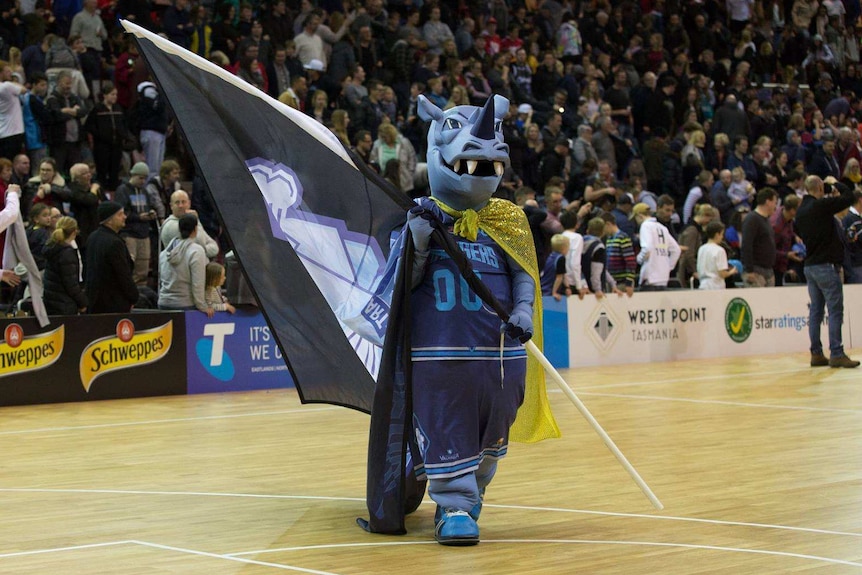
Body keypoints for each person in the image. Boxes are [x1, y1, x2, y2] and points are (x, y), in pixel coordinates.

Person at [795, 175, 860, 368]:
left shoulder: (801, 211)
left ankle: (816, 353)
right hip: (826, 265)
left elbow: (798, 231)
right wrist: (835, 184)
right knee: (834, 310)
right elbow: (850, 196)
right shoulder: (820, 206)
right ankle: (837, 353)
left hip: (810, 265)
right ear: (821, 189)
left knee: (816, 310)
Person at [84, 201, 139, 314]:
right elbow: (123, 275)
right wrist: (134, 296)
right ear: (109, 220)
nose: (124, 217)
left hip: (93, 300)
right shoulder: (115, 242)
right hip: (113, 303)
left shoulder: (92, 237)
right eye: (120, 214)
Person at [158, 213, 214, 316]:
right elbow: (198, 283)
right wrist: (202, 306)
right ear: (195, 229)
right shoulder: (197, 251)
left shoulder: (164, 252)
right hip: (185, 304)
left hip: (163, 303)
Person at [114, 162, 157, 285]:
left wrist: (150, 214)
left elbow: (148, 206)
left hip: (144, 233)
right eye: (140, 178)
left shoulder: (144, 192)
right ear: (133, 175)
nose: (143, 181)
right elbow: (121, 211)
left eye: (145, 178)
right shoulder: (123, 190)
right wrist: (138, 217)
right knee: (129, 268)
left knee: (142, 271)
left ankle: (141, 296)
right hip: (129, 233)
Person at [42, 215, 87, 315]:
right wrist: (83, 303)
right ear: (75, 231)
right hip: (65, 305)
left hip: (51, 302)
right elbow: (71, 284)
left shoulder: (52, 248)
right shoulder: (67, 253)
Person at [634, 202, 681, 290]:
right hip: (663, 277)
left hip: (650, 276)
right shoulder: (662, 228)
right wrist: (668, 267)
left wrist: (638, 259)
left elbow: (647, 248)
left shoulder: (645, 226)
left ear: (639, 215)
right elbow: (676, 250)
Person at [159, 190, 219, 258]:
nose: (181, 206)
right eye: (177, 202)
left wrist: (202, 249)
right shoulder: (171, 225)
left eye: (183, 202)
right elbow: (199, 244)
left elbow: (214, 247)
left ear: (189, 203)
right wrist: (196, 220)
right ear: (171, 206)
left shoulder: (190, 221)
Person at [741, 188, 778, 287]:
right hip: (756, 270)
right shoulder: (752, 219)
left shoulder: (766, 220)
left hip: (768, 270)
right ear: (768, 202)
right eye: (775, 202)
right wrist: (749, 270)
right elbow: (746, 244)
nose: (775, 206)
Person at [697, 220, 737, 289]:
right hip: (716, 286)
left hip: (703, 285)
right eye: (721, 234)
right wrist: (731, 272)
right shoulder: (719, 250)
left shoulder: (701, 248)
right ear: (716, 234)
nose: (722, 237)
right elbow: (722, 273)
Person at [540, 233, 569, 300]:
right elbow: (559, 277)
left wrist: (567, 287)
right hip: (549, 290)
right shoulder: (561, 258)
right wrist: (554, 292)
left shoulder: (550, 256)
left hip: (543, 287)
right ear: (564, 248)